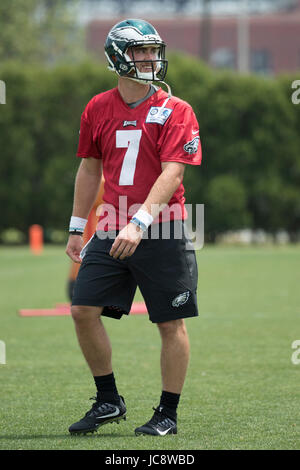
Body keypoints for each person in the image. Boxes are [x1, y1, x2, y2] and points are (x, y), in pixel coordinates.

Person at [66, 18, 202, 437]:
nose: (148, 58)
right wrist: (76, 227)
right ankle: (108, 400)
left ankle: (167, 413)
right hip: (110, 225)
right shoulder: (97, 107)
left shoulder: (176, 109)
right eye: (138, 51)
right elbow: (89, 169)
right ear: (116, 56)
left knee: (169, 323)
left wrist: (139, 222)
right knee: (83, 309)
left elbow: (173, 173)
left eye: (152, 50)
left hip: (161, 227)